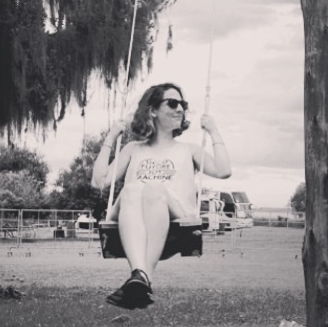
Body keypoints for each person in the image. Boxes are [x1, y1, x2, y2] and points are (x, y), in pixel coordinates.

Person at [92, 83, 231, 309]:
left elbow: (223, 170)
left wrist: (213, 130)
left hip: (175, 218)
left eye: (183, 104)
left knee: (154, 189)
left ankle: (141, 276)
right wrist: (111, 136)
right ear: (153, 110)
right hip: (133, 215)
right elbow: (99, 181)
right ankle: (141, 278)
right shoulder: (133, 149)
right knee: (132, 189)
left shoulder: (189, 150)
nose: (180, 109)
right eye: (173, 103)